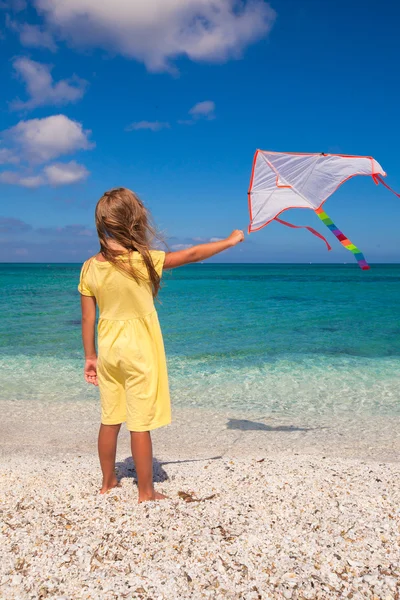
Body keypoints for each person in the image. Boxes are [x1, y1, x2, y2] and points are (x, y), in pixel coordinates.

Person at [78, 187, 244, 502]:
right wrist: (229, 241)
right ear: (135, 222)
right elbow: (193, 255)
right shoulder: (144, 261)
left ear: (102, 224)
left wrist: (90, 356)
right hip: (139, 350)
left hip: (109, 351)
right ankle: (145, 492)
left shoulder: (89, 267)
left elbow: (88, 319)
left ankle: (108, 481)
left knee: (110, 417)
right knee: (140, 423)